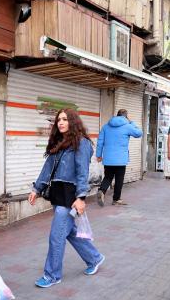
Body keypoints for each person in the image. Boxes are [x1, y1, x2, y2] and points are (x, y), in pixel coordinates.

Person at [28, 109, 105, 288]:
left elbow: (82, 172)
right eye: (58, 120)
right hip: (58, 194)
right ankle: (94, 258)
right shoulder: (59, 143)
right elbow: (47, 169)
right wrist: (36, 188)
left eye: (64, 119)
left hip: (70, 196)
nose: (60, 123)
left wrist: (81, 198)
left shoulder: (82, 143)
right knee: (69, 232)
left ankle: (52, 275)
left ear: (73, 121)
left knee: (56, 235)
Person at [95, 109, 143, 206]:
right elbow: (139, 133)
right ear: (125, 116)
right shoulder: (127, 126)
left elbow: (100, 142)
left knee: (108, 177)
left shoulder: (105, 127)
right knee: (119, 179)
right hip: (121, 159)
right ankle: (116, 199)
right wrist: (132, 122)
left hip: (108, 158)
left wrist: (99, 155)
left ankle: (102, 190)